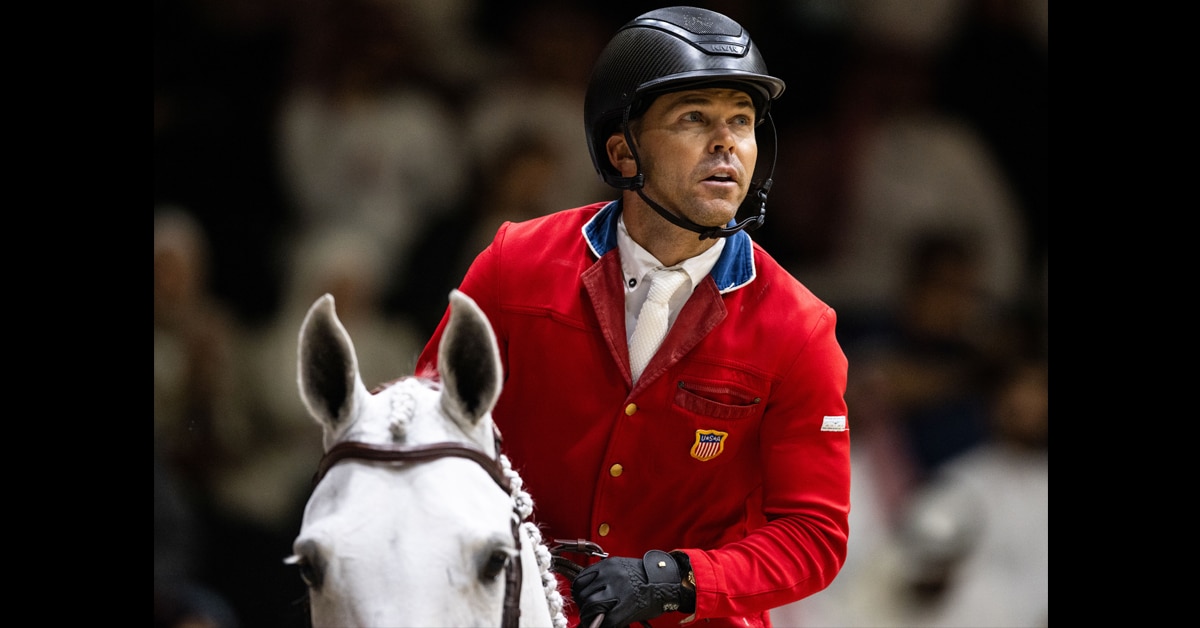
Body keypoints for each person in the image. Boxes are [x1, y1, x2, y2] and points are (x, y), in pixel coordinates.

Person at [414, 7, 850, 627]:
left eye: (741, 121)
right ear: (623, 152)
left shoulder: (801, 329)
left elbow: (813, 536)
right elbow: (428, 435)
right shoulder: (514, 265)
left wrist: (676, 579)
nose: (726, 141)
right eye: (694, 117)